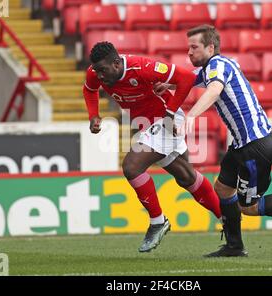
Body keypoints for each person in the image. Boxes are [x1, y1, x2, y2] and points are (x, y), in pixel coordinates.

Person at [155, 25, 272, 257]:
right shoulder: (216, 66)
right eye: (188, 47)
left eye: (194, 47)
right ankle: (234, 246)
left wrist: (191, 115)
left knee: (248, 207)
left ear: (210, 47)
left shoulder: (217, 66)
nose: (189, 52)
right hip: (244, 144)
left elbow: (213, 90)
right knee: (222, 187)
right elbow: (191, 80)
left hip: (255, 146)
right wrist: (168, 85)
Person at [83, 42, 222, 253]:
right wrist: (94, 115)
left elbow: (186, 78)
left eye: (103, 70)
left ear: (116, 63)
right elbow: (89, 89)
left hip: (166, 120)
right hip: (145, 126)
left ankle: (158, 221)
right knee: (186, 176)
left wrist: (170, 111)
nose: (99, 75)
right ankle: (227, 217)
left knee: (131, 166)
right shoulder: (95, 72)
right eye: (97, 70)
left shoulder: (141, 67)